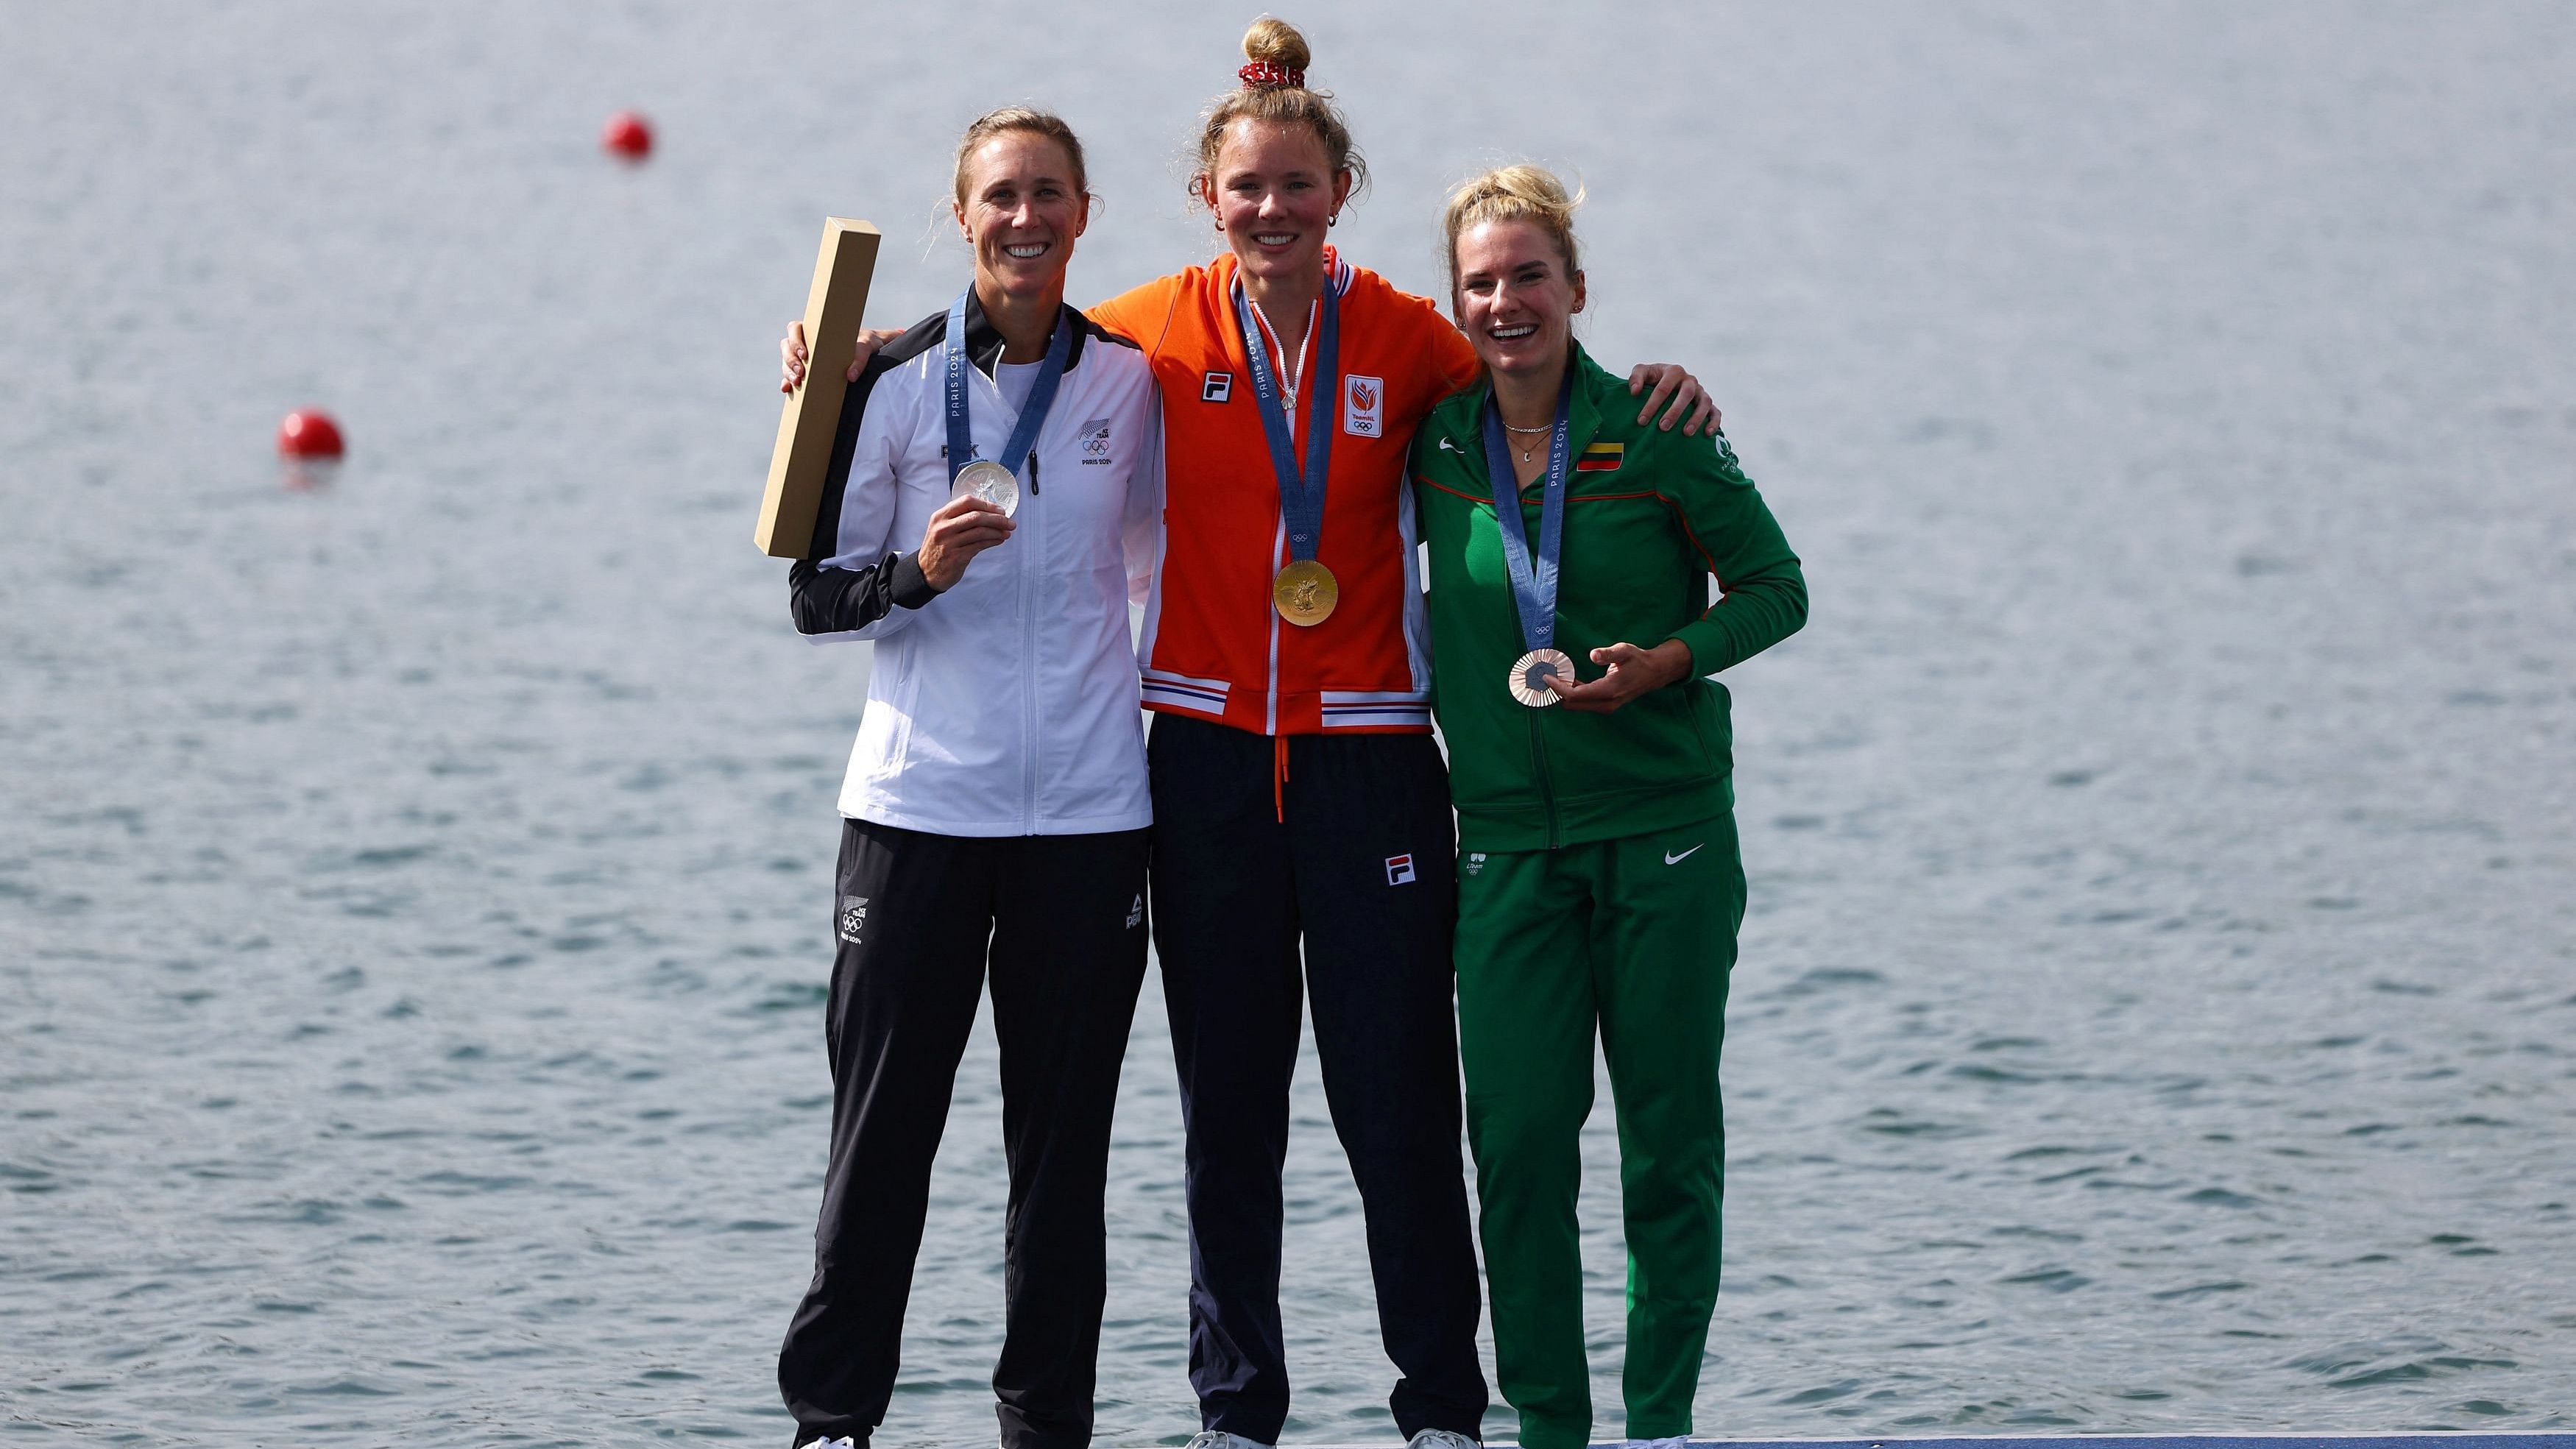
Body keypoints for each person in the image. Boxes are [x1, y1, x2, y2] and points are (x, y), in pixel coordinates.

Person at [779, 24, 1720, 1449]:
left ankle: (1439, 1412)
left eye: (1296, 184)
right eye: (1244, 189)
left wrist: (1665, 391)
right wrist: (854, 358)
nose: (1270, 209)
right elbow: (1004, 341)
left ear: (1339, 187)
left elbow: (1534, 376)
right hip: (1200, 762)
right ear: (1204, 201)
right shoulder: (1148, 335)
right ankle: (1237, 1413)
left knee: (1397, 1106)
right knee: (1227, 1116)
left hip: (1371, 758)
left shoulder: (1409, 337)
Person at [774, 107, 1164, 1449]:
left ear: (1082, 212)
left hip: (1091, 821)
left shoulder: (1128, 381)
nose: (1024, 218)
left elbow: (1170, 562)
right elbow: (816, 597)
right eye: (1000, 196)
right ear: (963, 218)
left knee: (1061, 1166)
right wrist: (918, 576)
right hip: (916, 813)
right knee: (881, 1143)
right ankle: (833, 1422)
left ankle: (1044, 1429)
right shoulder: (884, 385)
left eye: (1048, 194)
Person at [1407, 166, 1808, 1449]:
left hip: (1666, 831)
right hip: (1507, 849)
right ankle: (1549, 1430)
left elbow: (1775, 586)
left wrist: (1670, 660)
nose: (1508, 300)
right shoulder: (1432, 438)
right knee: (1519, 1151)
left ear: (1578, 289)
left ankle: (1661, 1424)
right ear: (1454, 300)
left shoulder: (1657, 427)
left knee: (1665, 1139)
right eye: (1483, 280)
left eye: (1532, 275)